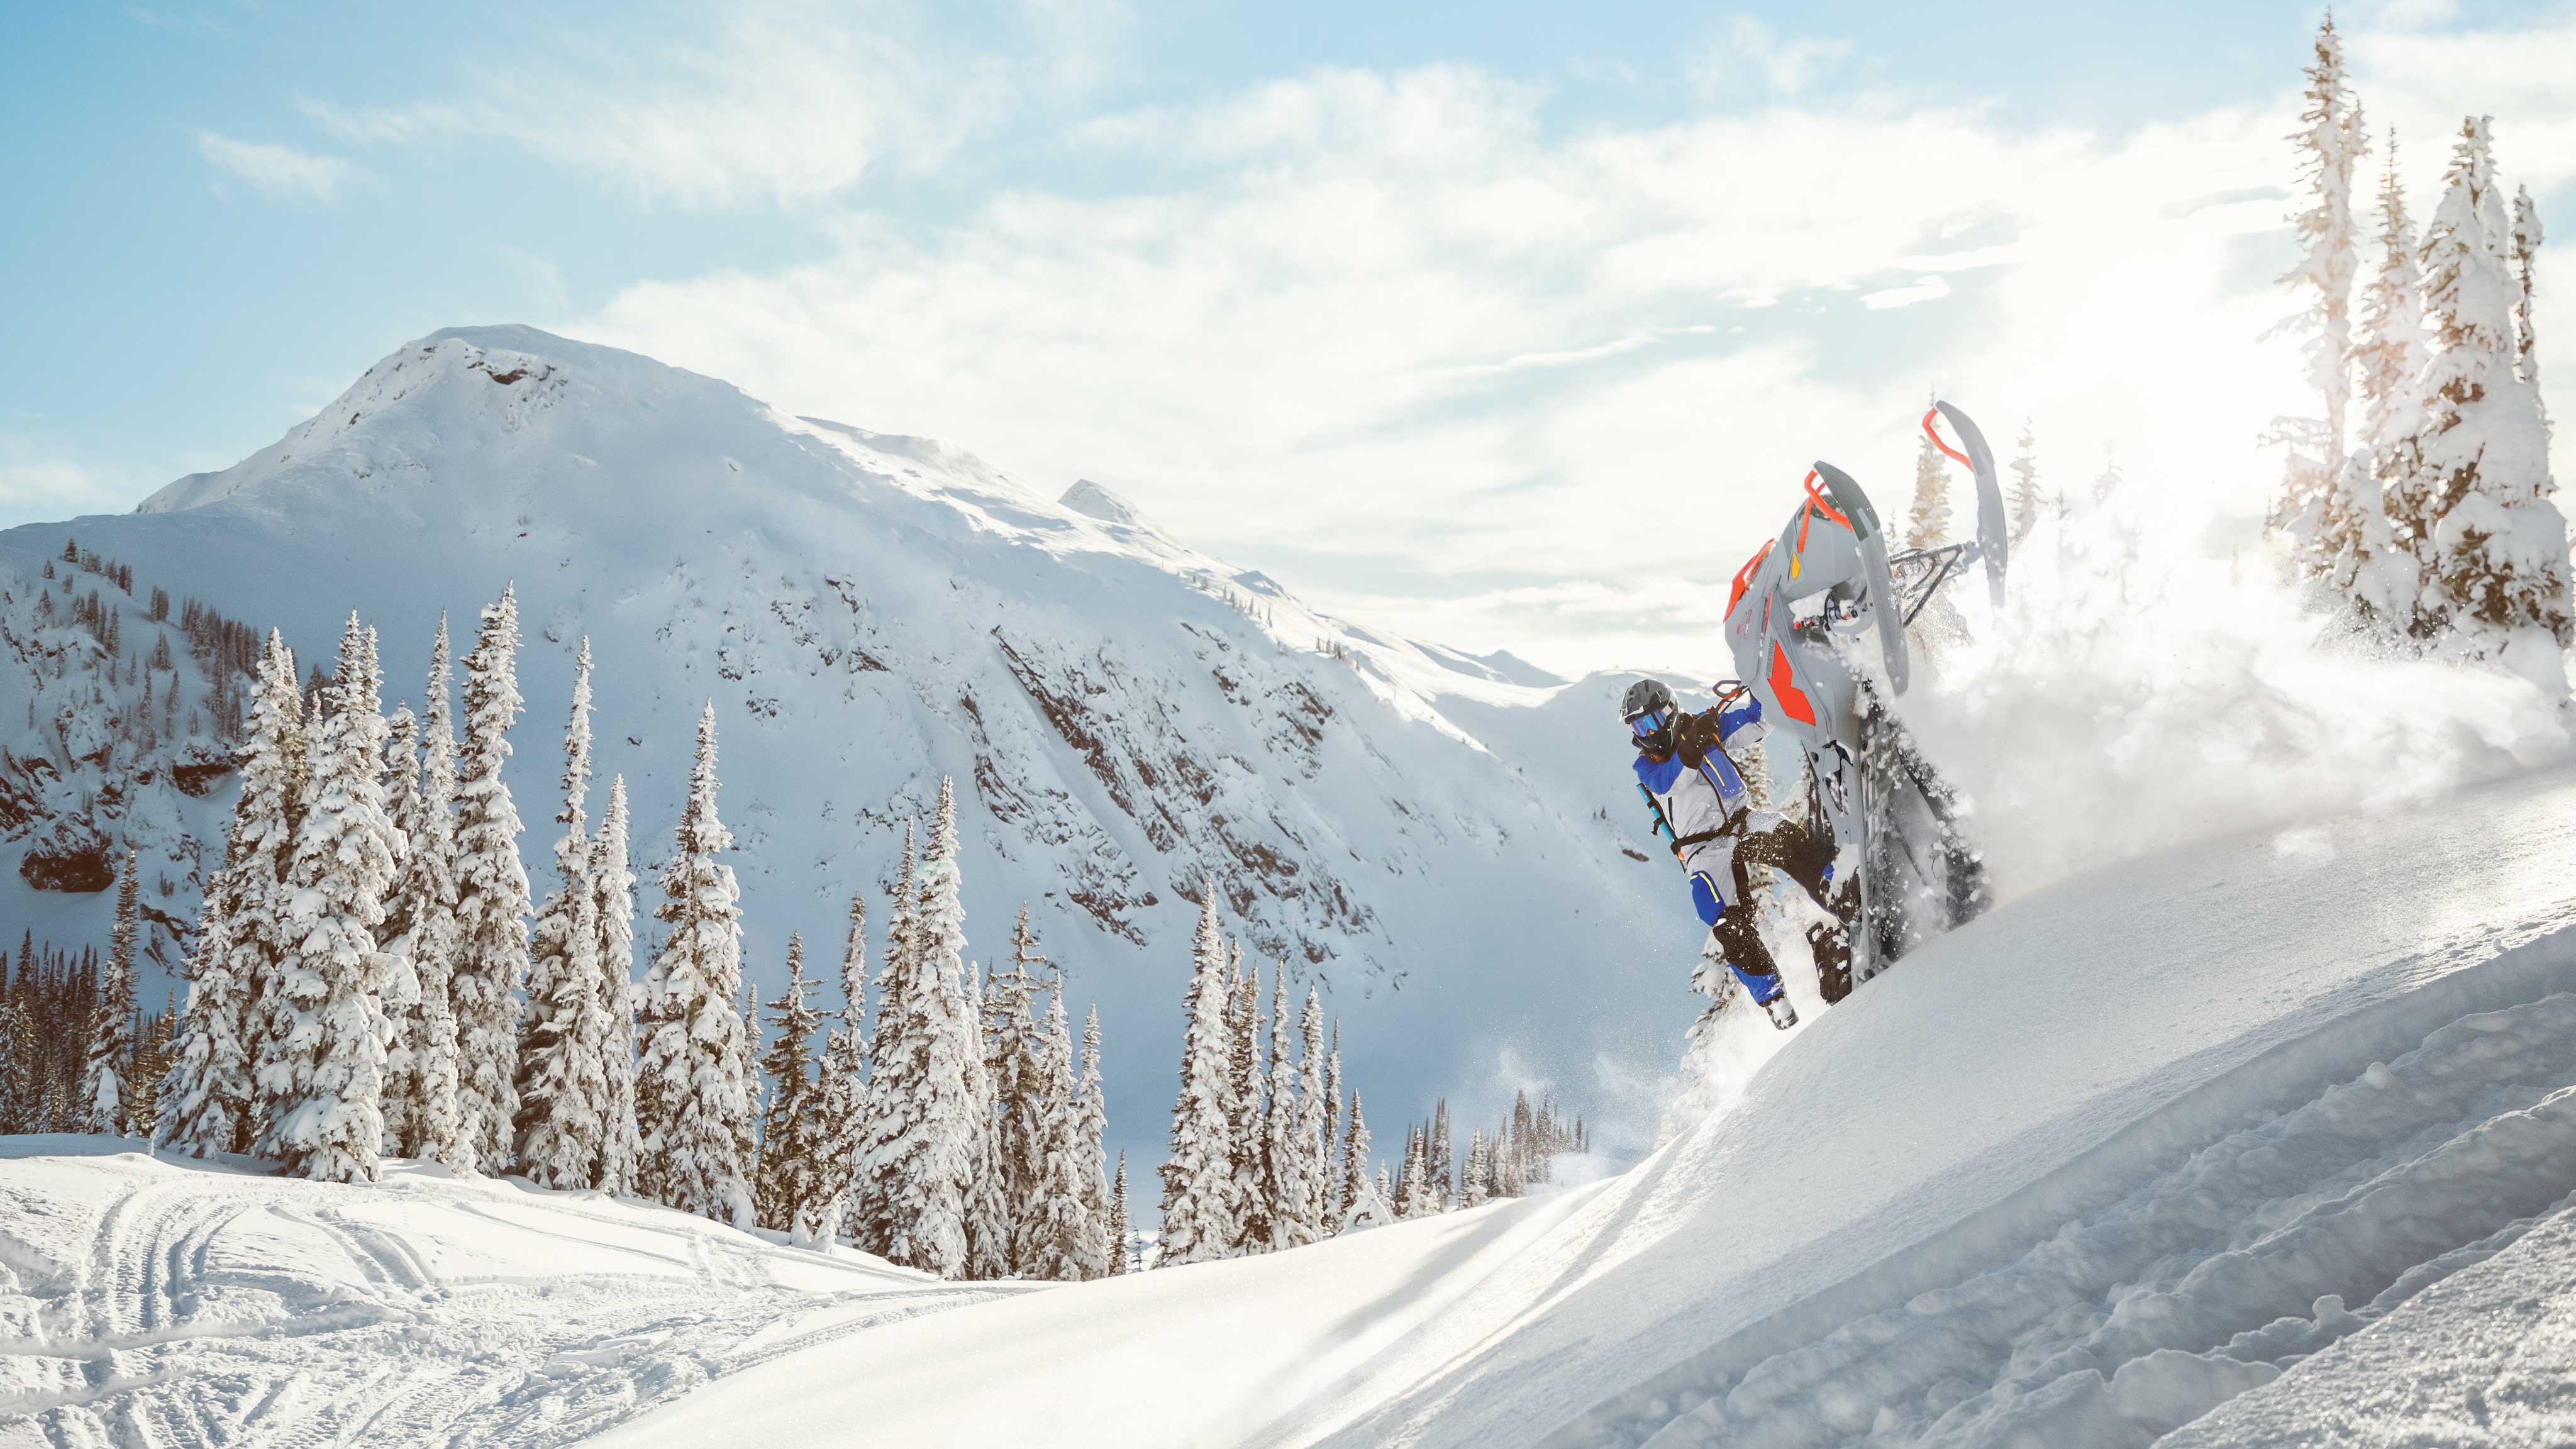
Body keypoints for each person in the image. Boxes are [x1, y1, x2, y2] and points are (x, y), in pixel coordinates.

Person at [1623, 675, 1853, 1030]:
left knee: (1785, 837)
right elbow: (1669, 781)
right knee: (1720, 914)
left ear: (1669, 710)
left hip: (1740, 821)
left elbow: (1758, 723)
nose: (1648, 731)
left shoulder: (1704, 727)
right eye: (1639, 725)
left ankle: (1839, 894)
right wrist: (1695, 740)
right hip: (1702, 848)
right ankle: (1773, 997)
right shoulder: (1648, 765)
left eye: (1651, 720)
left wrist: (1761, 685)